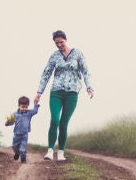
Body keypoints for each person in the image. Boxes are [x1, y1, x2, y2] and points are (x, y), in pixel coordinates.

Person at [35, 29, 94, 162]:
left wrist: (89, 87)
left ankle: (61, 152)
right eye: (56, 43)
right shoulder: (54, 56)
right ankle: (50, 150)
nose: (59, 45)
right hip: (56, 92)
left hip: (72, 93)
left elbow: (85, 71)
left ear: (65, 40)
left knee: (63, 123)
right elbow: (46, 74)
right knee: (54, 120)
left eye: (61, 42)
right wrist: (39, 92)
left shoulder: (77, 53)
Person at [8, 95, 41, 164]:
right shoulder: (15, 114)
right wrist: (7, 122)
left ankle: (23, 158)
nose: (24, 109)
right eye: (22, 107)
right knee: (14, 147)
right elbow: (10, 123)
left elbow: (35, 111)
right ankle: (17, 153)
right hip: (16, 135)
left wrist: (36, 103)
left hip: (24, 135)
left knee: (23, 148)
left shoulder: (29, 113)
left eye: (26, 107)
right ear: (18, 105)